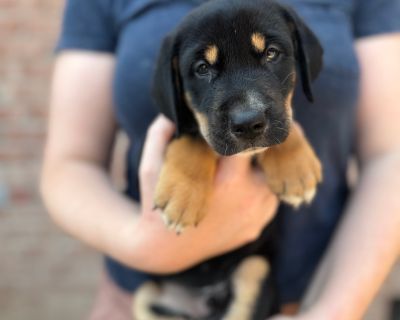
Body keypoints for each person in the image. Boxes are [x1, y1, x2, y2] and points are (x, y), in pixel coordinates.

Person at [40, 0, 400, 319]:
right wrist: (147, 246)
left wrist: (332, 313)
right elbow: (71, 163)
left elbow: (390, 155)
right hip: (149, 297)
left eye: (270, 55)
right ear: (175, 85)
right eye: (202, 68)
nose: (247, 111)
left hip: (302, 296)